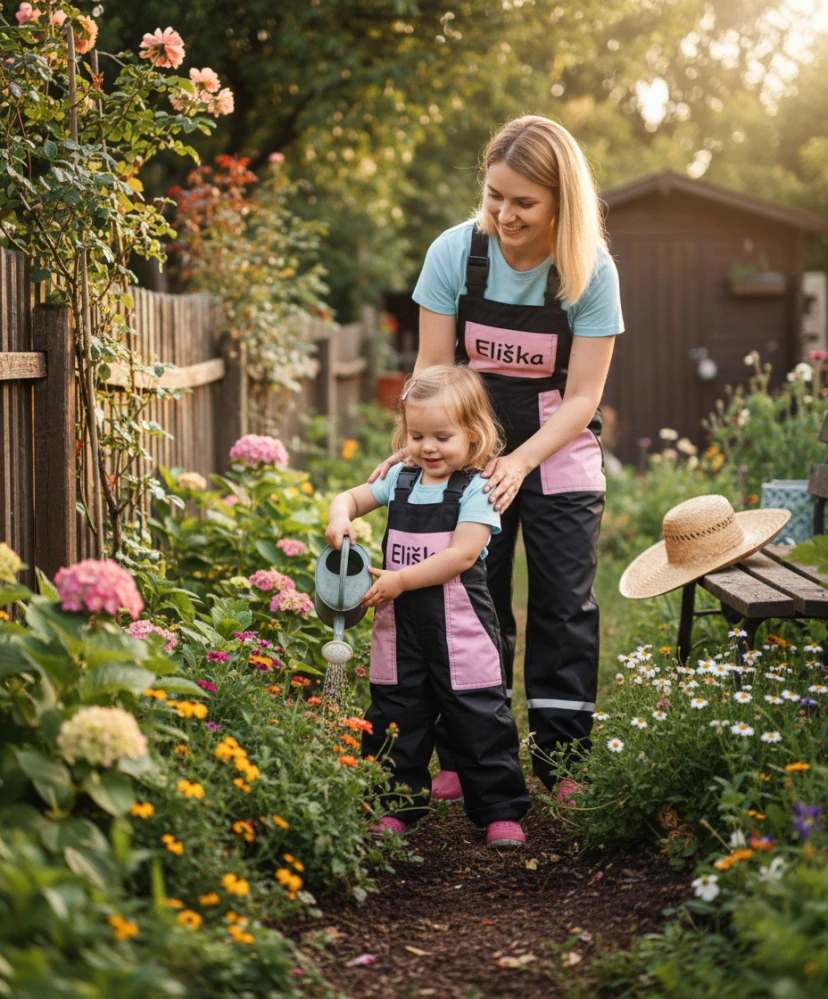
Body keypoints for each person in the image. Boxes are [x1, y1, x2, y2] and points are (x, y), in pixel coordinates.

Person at [371, 115, 624, 797]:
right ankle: (467, 755)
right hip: (468, 449)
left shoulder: (590, 270)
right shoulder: (456, 253)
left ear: (560, 203)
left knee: (562, 606)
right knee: (470, 602)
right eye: (494, 197)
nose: (504, 215)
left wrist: (521, 462)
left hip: (558, 447)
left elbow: (581, 398)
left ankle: (563, 760)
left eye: (523, 202)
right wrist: (412, 454)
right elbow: (431, 373)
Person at [326, 364, 531, 848]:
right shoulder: (399, 479)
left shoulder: (478, 491)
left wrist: (399, 579)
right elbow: (349, 498)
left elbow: (461, 555)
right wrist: (339, 517)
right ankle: (397, 806)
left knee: (481, 717)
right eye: (417, 435)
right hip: (400, 628)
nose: (429, 447)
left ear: (474, 435)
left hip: (460, 628)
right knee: (396, 717)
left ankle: (500, 810)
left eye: (442, 435)